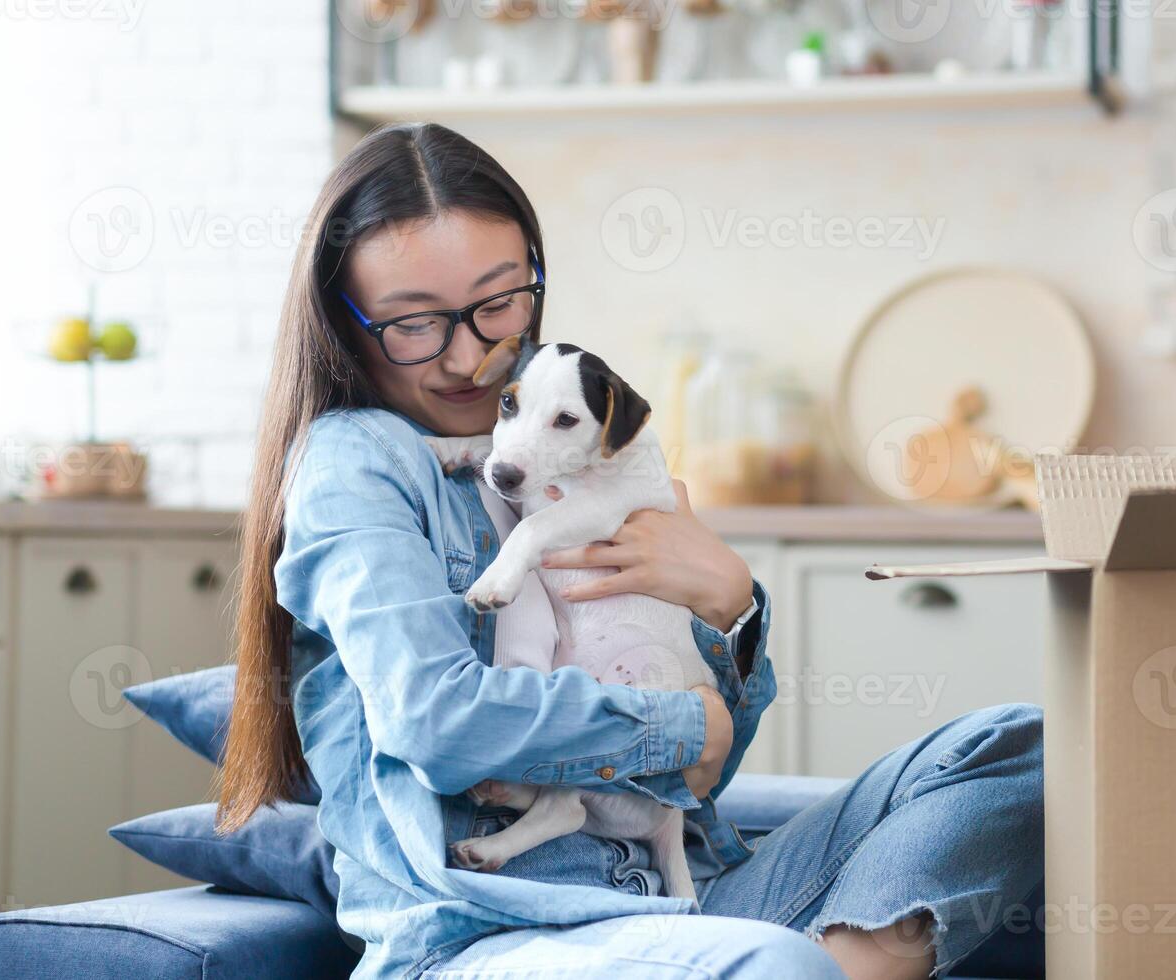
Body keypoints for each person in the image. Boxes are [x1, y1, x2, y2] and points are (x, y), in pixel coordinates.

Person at [217, 122, 1044, 980]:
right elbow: (435, 722)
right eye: (415, 324)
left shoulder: (576, 436)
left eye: (499, 303)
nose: (470, 358)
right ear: (346, 325)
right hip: (496, 937)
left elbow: (696, 783)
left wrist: (731, 606)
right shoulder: (358, 468)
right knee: (768, 964)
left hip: (681, 900)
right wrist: (683, 722)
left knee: (1012, 749)